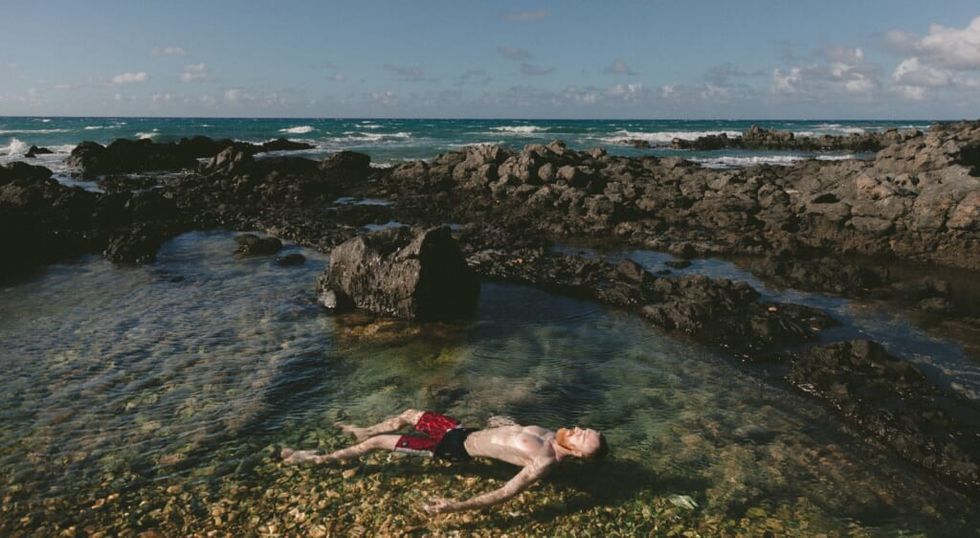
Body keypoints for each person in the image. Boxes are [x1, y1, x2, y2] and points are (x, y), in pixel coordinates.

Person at [280, 409, 608, 514]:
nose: (578, 429)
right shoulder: (553, 433)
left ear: (577, 454)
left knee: (379, 444)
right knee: (409, 413)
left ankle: (317, 460)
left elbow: (506, 492)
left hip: (452, 450)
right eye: (583, 429)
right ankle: (364, 429)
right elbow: (511, 432)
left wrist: (456, 505)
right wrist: (500, 422)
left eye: (581, 436)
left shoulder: (544, 460)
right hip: (461, 430)